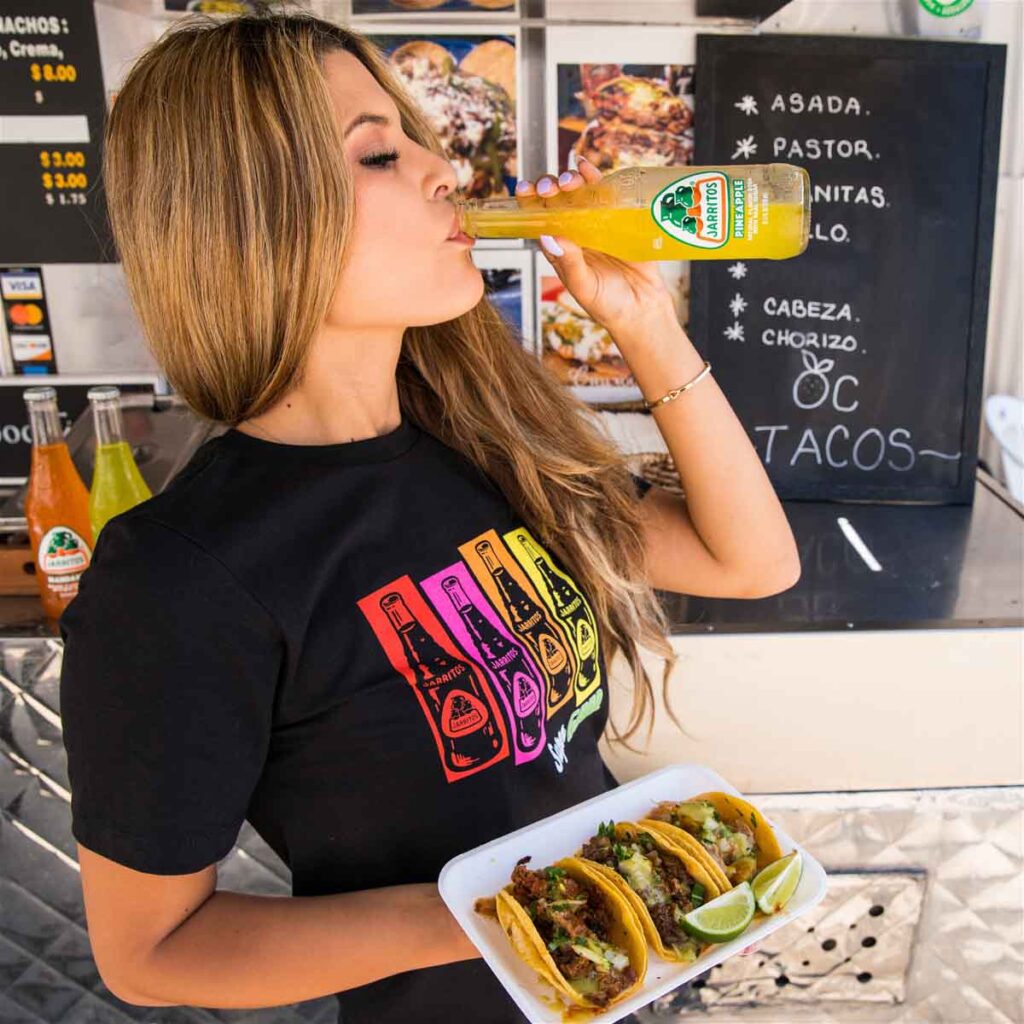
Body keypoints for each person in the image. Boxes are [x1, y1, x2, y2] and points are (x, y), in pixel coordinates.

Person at [58, 10, 798, 1022]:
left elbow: (750, 560)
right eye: (377, 152)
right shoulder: (179, 574)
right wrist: (508, 914)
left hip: (631, 985)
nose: (443, 169)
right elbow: (151, 952)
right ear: (256, 216)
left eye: (417, 137)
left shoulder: (484, 440)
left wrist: (642, 326)